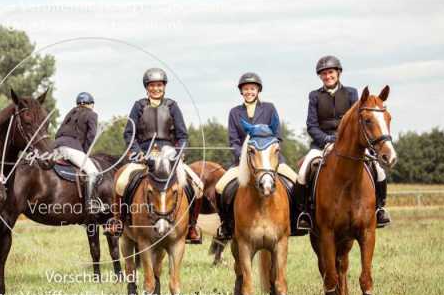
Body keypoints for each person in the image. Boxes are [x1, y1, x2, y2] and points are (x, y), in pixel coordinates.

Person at [293, 55, 390, 230]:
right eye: (323, 74)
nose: (327, 76)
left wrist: (343, 139)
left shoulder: (351, 93)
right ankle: (304, 213)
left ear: (338, 73)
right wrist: (326, 139)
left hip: (351, 144)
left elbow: (357, 120)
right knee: (303, 170)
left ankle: (380, 209)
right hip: (322, 143)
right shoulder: (314, 96)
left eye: (330, 72)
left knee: (379, 170)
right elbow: (311, 125)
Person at [122, 68, 205, 244]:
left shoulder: (172, 106)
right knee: (122, 182)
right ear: (147, 87)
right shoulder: (138, 106)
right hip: (144, 154)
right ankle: (121, 221)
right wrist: (138, 153)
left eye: (159, 85)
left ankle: (191, 226)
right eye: (152, 85)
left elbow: (183, 135)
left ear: (164, 87)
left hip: (169, 155)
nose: (156, 89)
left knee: (198, 186)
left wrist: (180, 153)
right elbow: (129, 134)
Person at [214, 72, 297, 240]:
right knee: (220, 187)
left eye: (252, 88)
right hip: (243, 162)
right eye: (246, 89)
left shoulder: (269, 108)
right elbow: (234, 141)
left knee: (296, 182)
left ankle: (296, 219)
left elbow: (277, 137)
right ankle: (226, 224)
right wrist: (243, 157)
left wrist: (269, 155)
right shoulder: (234, 112)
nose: (249, 91)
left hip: (271, 161)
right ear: (241, 91)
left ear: (258, 90)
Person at [53, 92, 108, 215]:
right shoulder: (92, 114)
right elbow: (91, 136)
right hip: (71, 148)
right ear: (91, 104)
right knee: (93, 173)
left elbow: (58, 132)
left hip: (56, 146)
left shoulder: (70, 113)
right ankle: (91, 204)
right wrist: (84, 152)